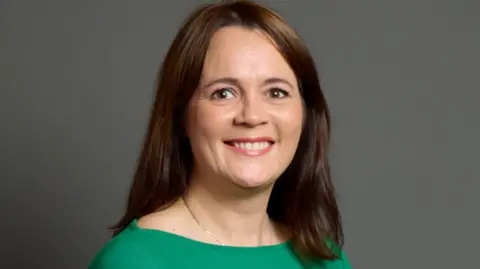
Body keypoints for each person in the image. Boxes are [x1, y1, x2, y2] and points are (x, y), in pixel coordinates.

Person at [89, 1, 352, 268]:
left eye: (276, 92)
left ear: (306, 114)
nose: (252, 116)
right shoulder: (134, 262)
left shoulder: (326, 261)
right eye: (223, 93)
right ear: (181, 116)